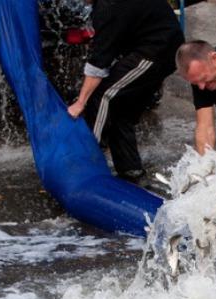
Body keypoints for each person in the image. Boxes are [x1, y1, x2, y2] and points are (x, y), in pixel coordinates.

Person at [68, 0, 184, 182]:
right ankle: (130, 170)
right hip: (162, 46)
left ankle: (86, 162)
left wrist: (80, 102)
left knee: (102, 96)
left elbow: (100, 61)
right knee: (121, 108)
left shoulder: (108, 7)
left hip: (156, 50)